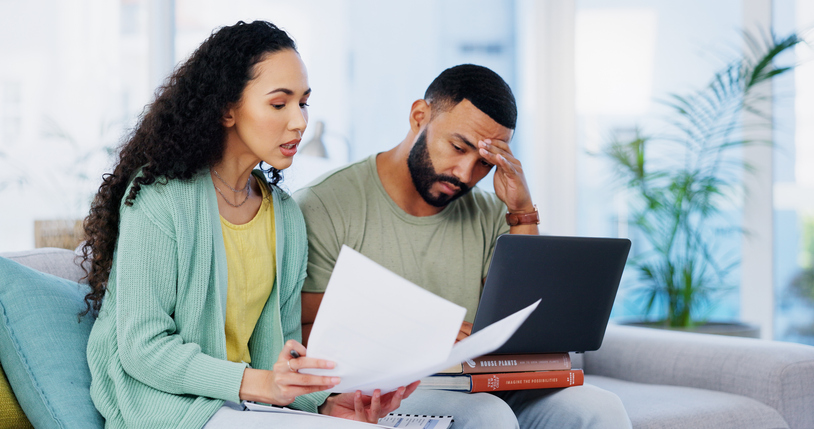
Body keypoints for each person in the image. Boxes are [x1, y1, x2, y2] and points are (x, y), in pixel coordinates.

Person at [81, 20, 417, 429]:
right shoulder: (160, 199)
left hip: (245, 406)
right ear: (226, 109)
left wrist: (324, 406)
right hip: (164, 406)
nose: (300, 121)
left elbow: (279, 354)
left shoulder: (285, 217)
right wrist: (258, 385)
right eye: (279, 104)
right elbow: (142, 349)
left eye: (303, 103)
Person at [294, 64, 633, 428]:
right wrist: (423, 334)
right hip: (393, 391)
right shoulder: (325, 204)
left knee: (600, 408)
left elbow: (522, 332)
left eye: (485, 163)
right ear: (419, 116)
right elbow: (305, 329)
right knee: (488, 416)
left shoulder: (491, 214)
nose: (465, 173)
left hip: (482, 384)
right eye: (458, 147)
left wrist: (521, 211)